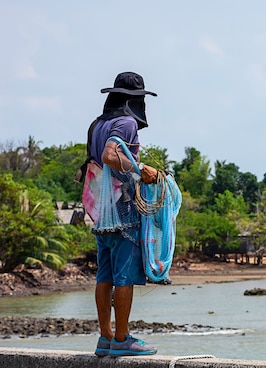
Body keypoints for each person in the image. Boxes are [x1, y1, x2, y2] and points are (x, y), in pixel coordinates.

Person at [86, 72, 159, 357]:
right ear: (135, 100)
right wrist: (143, 172)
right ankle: (122, 338)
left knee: (104, 276)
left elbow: (93, 161)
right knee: (124, 276)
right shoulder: (126, 122)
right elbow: (109, 155)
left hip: (101, 211)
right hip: (123, 209)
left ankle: (105, 337)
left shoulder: (97, 123)